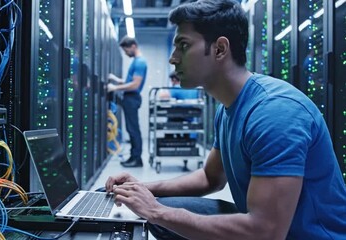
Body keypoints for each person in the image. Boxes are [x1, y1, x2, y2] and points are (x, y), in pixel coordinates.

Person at [105, 0, 346, 239]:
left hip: (298, 235)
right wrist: (141, 189)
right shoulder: (228, 108)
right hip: (260, 223)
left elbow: (266, 233)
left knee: (159, 216)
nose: (173, 58)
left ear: (220, 49)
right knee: (134, 209)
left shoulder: (274, 113)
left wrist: (156, 210)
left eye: (183, 45)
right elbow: (210, 178)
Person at [107, 36, 147, 168]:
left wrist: (115, 87)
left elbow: (135, 85)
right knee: (131, 128)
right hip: (130, 97)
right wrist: (117, 80)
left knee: (133, 129)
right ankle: (133, 157)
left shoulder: (140, 62)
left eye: (126, 50)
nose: (125, 53)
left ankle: (137, 159)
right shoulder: (136, 61)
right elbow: (130, 80)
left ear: (133, 46)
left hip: (132, 97)